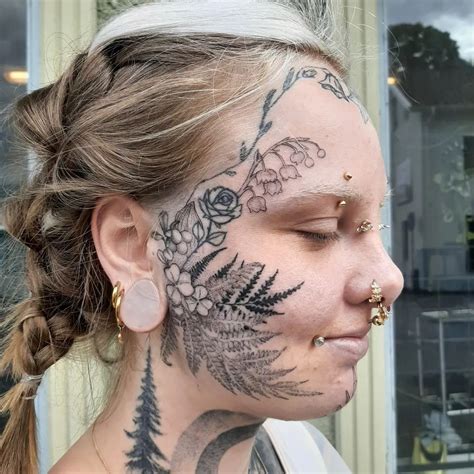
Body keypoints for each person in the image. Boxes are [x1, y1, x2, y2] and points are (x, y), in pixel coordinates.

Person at [0, 0, 404, 472]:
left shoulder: (303, 456)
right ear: (132, 247)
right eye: (318, 231)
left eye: (376, 224)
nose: (388, 278)